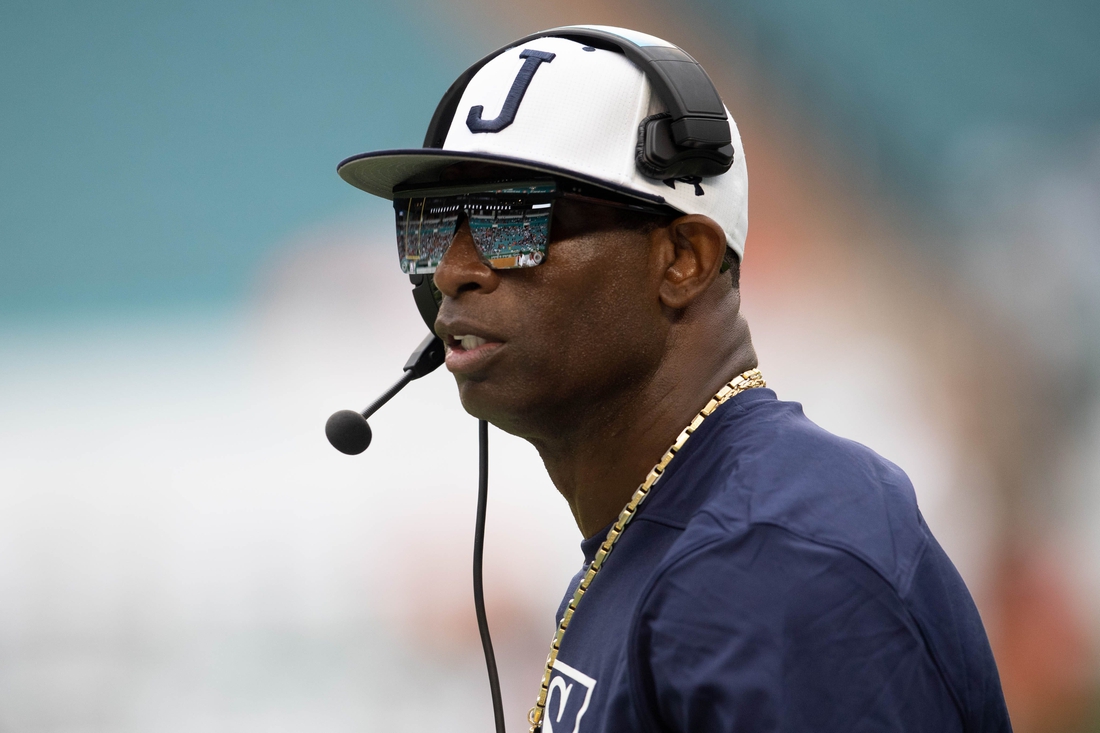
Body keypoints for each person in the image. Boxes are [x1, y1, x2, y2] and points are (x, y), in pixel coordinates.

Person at [335, 26, 1012, 733]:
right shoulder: (681, 532)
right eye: (432, 225)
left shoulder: (771, 564)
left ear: (683, 258)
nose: (451, 270)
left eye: (510, 221)